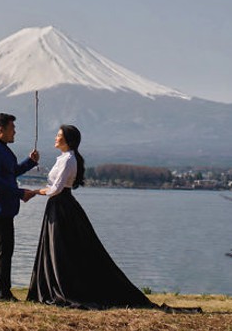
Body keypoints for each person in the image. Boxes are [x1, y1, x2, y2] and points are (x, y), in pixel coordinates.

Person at [25, 124, 156, 309]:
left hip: (62, 206)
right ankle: (53, 285)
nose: (55, 138)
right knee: (57, 248)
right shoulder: (63, 158)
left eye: (59, 135)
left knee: (61, 248)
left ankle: (64, 287)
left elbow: (56, 189)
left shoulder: (69, 160)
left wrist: (34, 192)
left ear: (68, 140)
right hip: (58, 206)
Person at [0, 112, 40, 302]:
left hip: (1, 208)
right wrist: (20, 194)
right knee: (5, 249)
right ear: (0, 130)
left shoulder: (2, 149)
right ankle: (3, 293)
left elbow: (11, 172)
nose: (15, 132)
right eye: (12, 128)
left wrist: (30, 162)